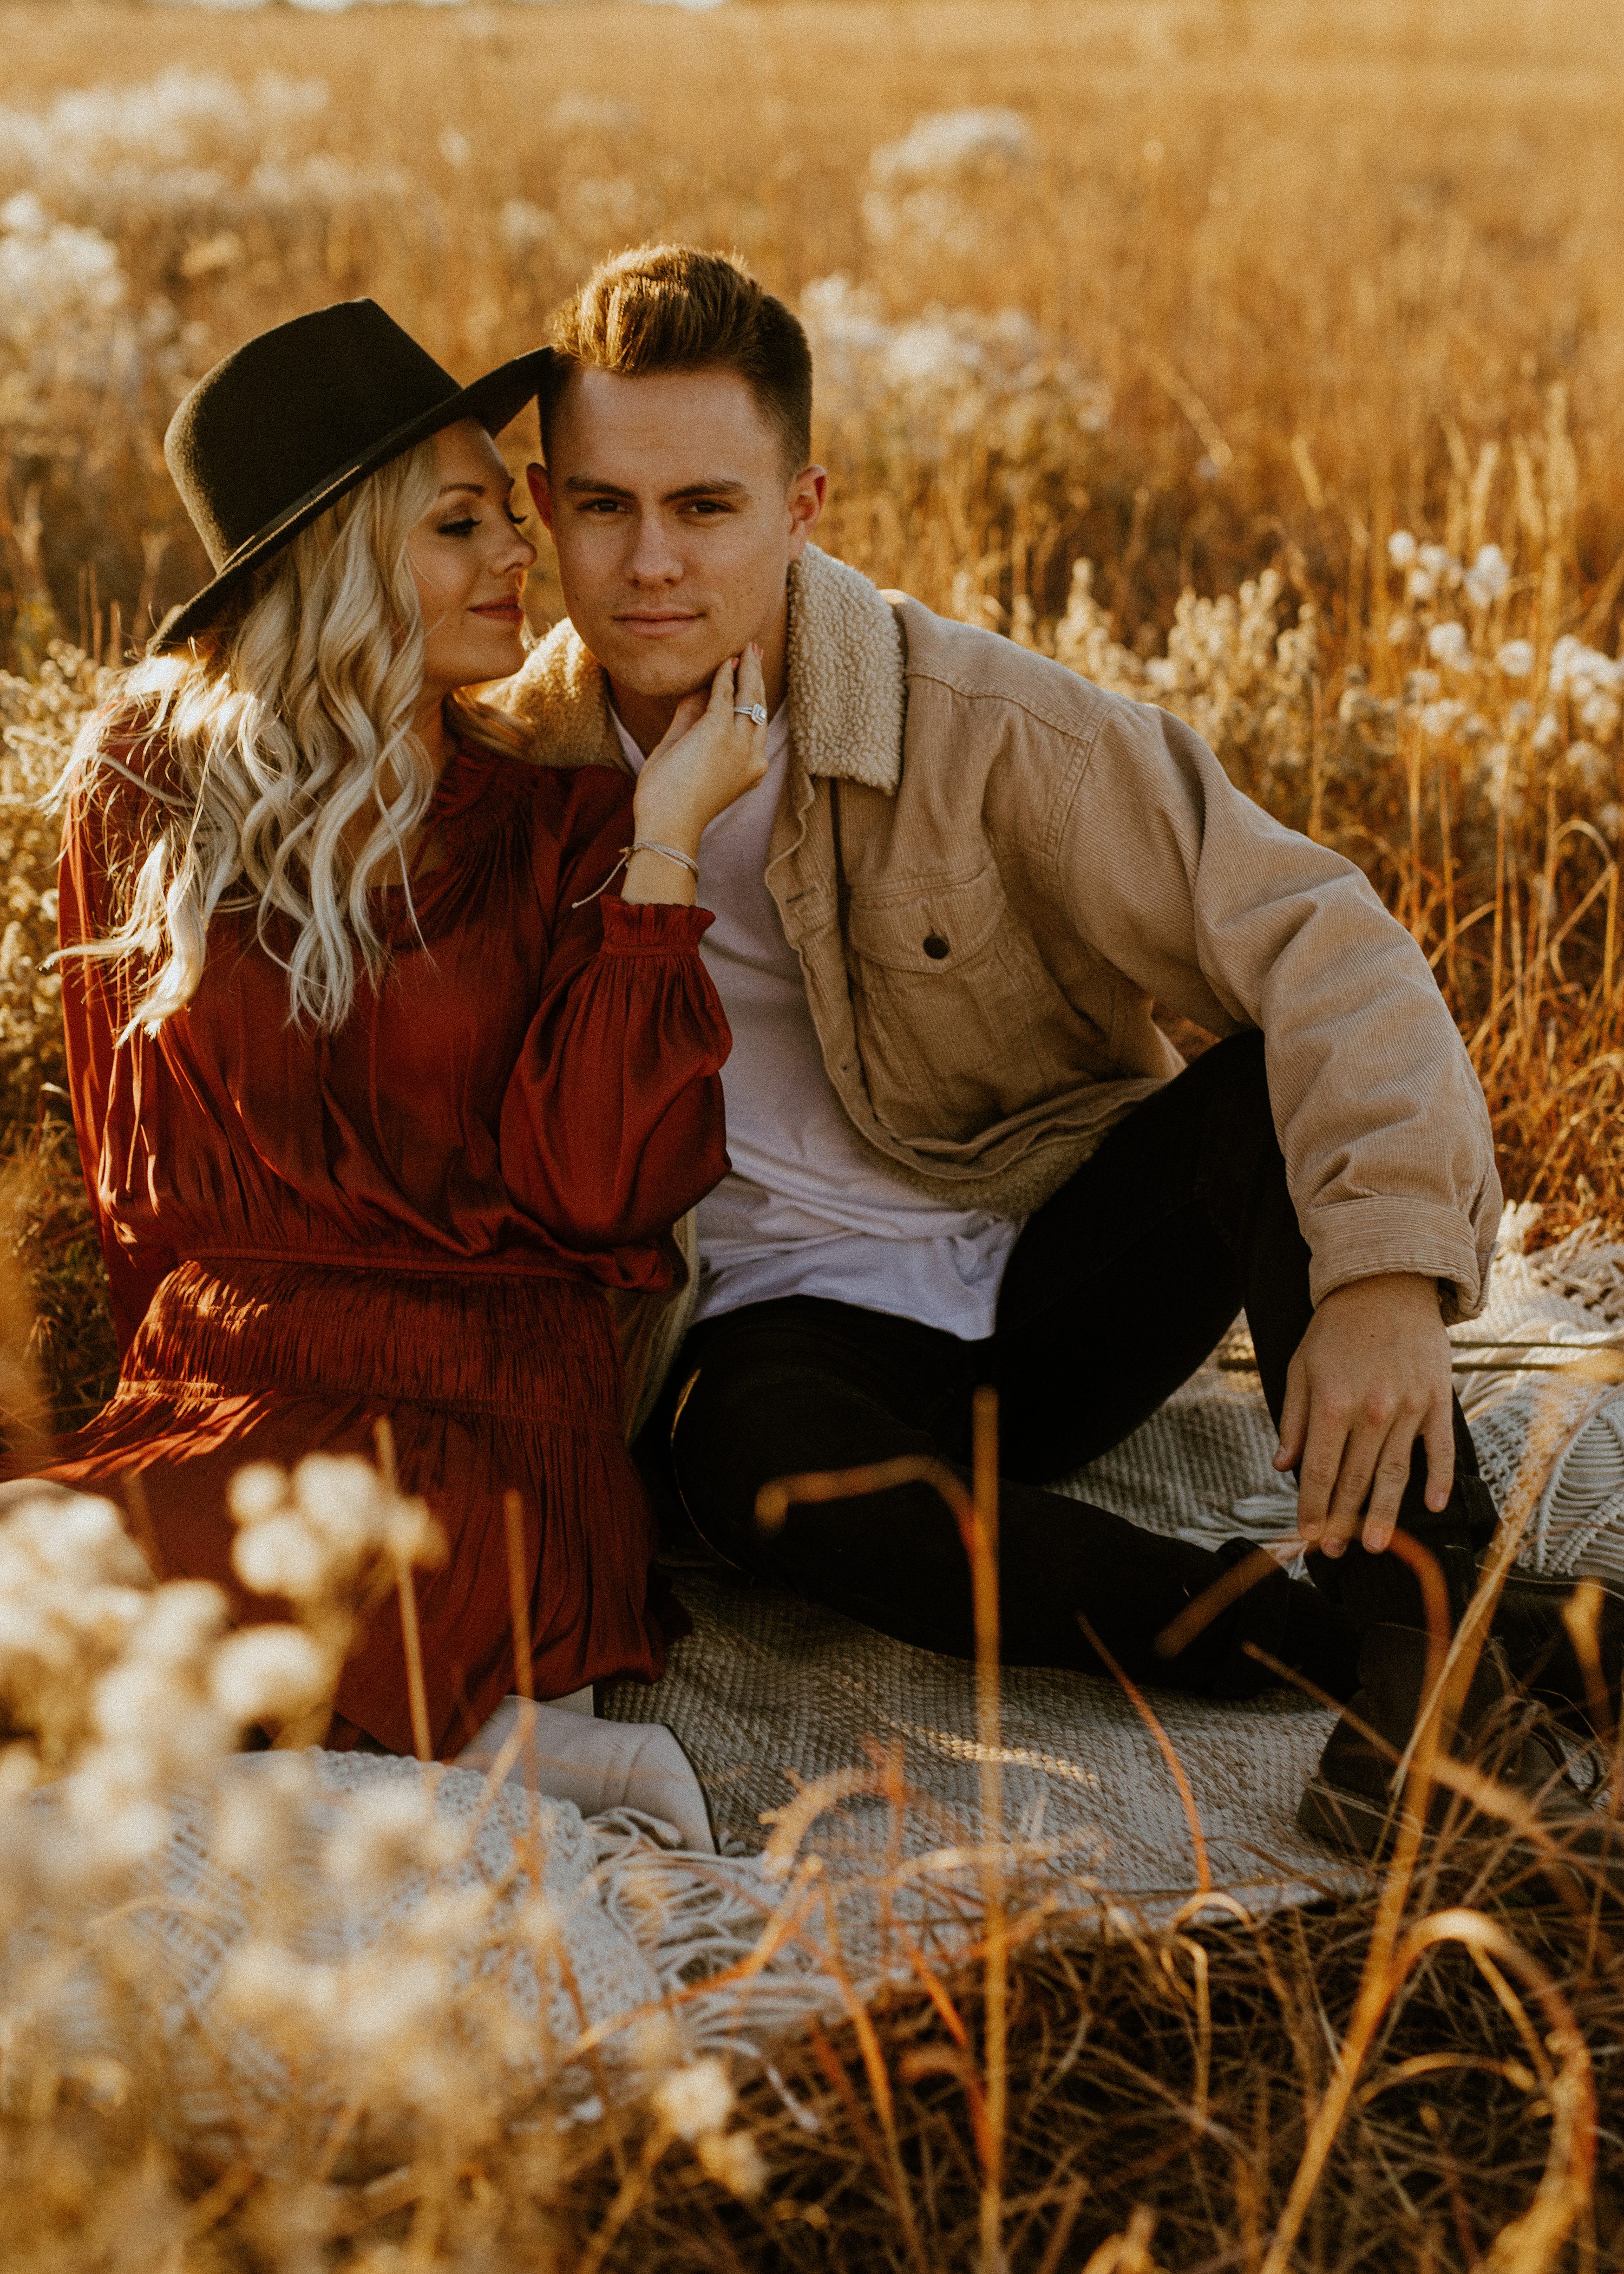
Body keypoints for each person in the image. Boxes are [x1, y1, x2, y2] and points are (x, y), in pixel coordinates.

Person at [487, 243, 1611, 1862]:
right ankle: (1366, 1644)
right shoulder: (513, 780)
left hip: (1052, 1274)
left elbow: (1327, 938)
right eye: (603, 505)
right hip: (790, 1351)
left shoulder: (977, 722)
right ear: (544, 503)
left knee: (1266, 1095)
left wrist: (1379, 1273)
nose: (650, 562)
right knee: (753, 1474)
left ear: (804, 504)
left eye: (705, 507)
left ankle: (1438, 1660)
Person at [24, 298, 770, 1772]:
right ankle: (461, 1726)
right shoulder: (144, 783)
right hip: (218, 1389)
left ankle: (488, 1714)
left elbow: (602, 1193)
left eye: (508, 514)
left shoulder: (563, 827)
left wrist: (666, 846)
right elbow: (128, 1176)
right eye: (460, 524)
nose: (519, 556)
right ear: (341, 562)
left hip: (478, 1422)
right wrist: (156, 1423)